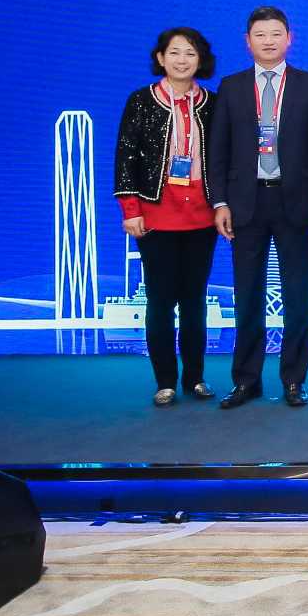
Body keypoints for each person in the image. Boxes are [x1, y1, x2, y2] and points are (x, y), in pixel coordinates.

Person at [208, 6, 308, 409]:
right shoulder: (232, 87)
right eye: (260, 34)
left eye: (276, 33)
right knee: (247, 296)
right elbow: (218, 151)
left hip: (296, 202)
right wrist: (220, 201)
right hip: (246, 202)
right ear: (248, 42)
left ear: (289, 38)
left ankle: (294, 379)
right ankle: (246, 380)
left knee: (298, 295)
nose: (269, 41)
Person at [113, 26, 219, 407]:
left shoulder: (212, 103)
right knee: (160, 301)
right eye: (174, 52)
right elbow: (125, 156)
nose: (181, 60)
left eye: (190, 53)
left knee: (195, 301)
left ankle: (196, 378)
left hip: (202, 218)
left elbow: (224, 159)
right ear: (160, 58)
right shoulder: (141, 101)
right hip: (156, 216)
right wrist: (131, 210)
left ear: (200, 60)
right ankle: (165, 382)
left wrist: (223, 206)